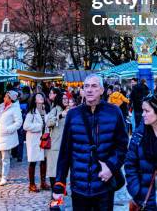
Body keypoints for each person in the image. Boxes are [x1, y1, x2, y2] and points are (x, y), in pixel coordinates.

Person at [53, 74, 128, 210]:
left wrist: (111, 167)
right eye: (86, 86)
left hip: (104, 185)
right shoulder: (73, 114)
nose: (89, 90)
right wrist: (60, 183)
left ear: (102, 90)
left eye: (94, 86)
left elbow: (122, 147)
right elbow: (65, 151)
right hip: (79, 186)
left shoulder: (114, 112)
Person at [0, 90, 22, 186]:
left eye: (6, 97)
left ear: (11, 98)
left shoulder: (15, 109)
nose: (4, 98)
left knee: (5, 158)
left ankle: (4, 176)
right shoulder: (1, 106)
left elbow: (19, 122)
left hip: (7, 136)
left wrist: (8, 129)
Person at [23, 92, 50, 192]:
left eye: (41, 96)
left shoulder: (46, 110)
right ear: (34, 100)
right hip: (34, 140)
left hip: (45, 139)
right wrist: (39, 127)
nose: (41, 97)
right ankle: (32, 184)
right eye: (38, 96)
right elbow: (25, 126)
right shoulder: (31, 112)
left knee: (44, 160)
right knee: (33, 162)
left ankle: (43, 182)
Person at [46, 91, 68, 190]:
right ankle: (55, 190)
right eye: (63, 99)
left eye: (67, 98)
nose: (66, 100)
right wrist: (60, 116)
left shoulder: (70, 111)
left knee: (63, 169)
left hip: (66, 145)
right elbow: (48, 123)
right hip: (55, 144)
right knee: (53, 169)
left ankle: (62, 188)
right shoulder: (55, 110)